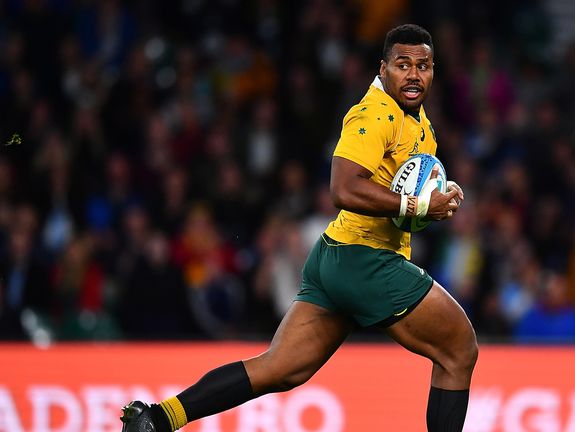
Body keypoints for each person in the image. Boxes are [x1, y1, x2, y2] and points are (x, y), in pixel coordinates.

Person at [120, 24, 478, 432]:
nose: (414, 74)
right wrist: (418, 203)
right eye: (402, 65)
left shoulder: (419, 122)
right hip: (366, 261)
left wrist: (434, 202)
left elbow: (397, 198)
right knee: (459, 349)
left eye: (423, 66)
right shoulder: (374, 114)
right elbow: (343, 189)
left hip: (336, 258)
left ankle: (158, 418)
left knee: (279, 369)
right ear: (384, 68)